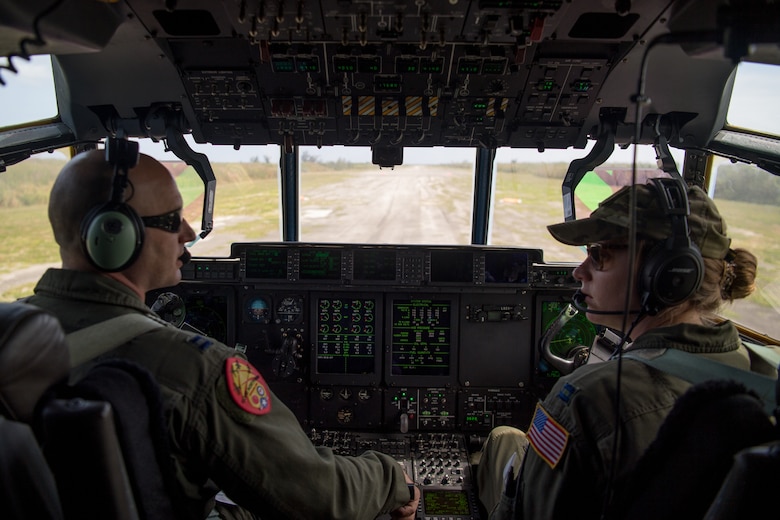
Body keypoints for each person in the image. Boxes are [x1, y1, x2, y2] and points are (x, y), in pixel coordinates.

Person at [26, 148, 420, 519]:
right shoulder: (197, 368)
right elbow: (320, 498)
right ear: (114, 233)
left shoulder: (12, 333)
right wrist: (391, 479)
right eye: (171, 219)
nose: (187, 232)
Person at [476, 180, 762, 519]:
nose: (579, 272)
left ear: (666, 274)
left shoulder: (586, 399)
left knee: (501, 442)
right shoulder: (754, 370)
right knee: (506, 438)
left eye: (599, 254)